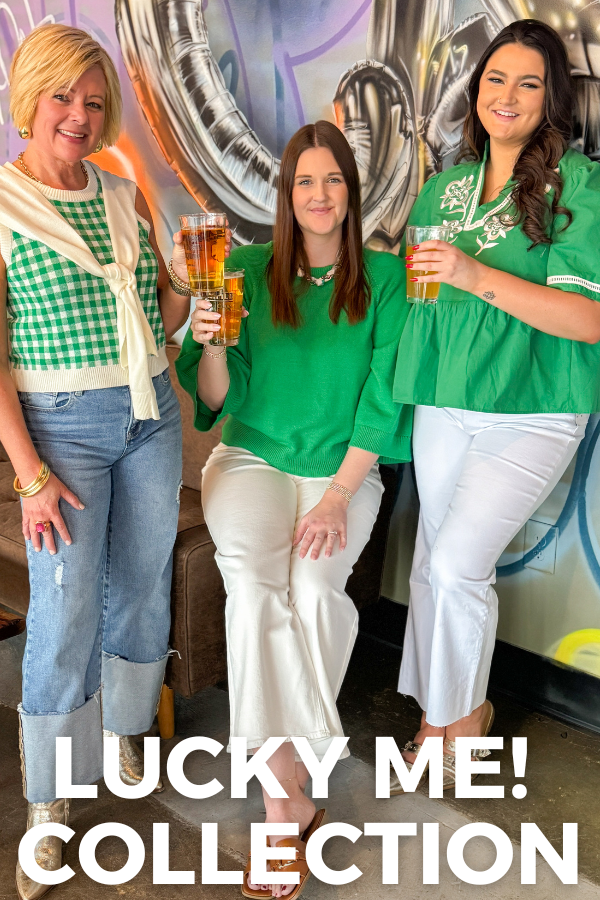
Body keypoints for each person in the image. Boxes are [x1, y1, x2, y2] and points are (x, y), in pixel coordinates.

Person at [176, 120, 412, 898]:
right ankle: (285, 798)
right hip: (250, 457)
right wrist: (208, 341)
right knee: (253, 585)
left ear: (353, 191)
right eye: (304, 181)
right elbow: (216, 400)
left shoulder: (383, 278)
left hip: (342, 471)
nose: (319, 195)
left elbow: (384, 397)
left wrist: (340, 495)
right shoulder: (240, 269)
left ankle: (286, 791)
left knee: (312, 590)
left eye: (333, 180)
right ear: (286, 193)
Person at [0, 24, 197, 899]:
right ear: (29, 98)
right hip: (62, 430)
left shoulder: (120, 193)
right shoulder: (2, 204)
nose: (78, 115)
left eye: (91, 99)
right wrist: (29, 474)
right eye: (61, 97)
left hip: (151, 415)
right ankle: (47, 803)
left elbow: (160, 306)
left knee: (143, 585)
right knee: (66, 606)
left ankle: (122, 735)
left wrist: (195, 286)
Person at [391, 18, 600, 792]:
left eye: (528, 83)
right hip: (447, 401)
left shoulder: (575, 183)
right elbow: (422, 302)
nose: (506, 96)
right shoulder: (442, 187)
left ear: (552, 99)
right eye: (494, 80)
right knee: (430, 566)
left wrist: (473, 273)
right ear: (475, 91)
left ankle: (463, 714)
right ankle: (433, 717)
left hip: (536, 408)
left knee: (454, 565)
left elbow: (588, 320)